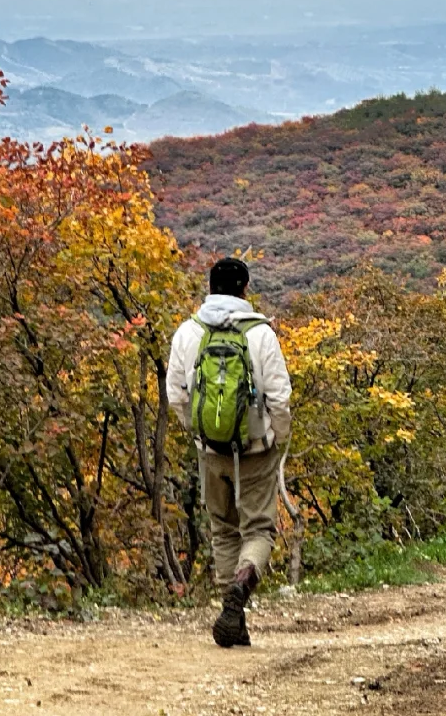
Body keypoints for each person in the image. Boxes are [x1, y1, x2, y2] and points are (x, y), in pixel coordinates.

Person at [167, 256, 292, 648]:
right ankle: (241, 587)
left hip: (211, 449)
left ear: (209, 287)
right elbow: (280, 397)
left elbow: (176, 396)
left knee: (223, 527)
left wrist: (198, 432)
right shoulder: (260, 334)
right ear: (244, 289)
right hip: (256, 449)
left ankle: (230, 612)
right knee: (258, 528)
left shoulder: (188, 332)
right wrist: (279, 438)